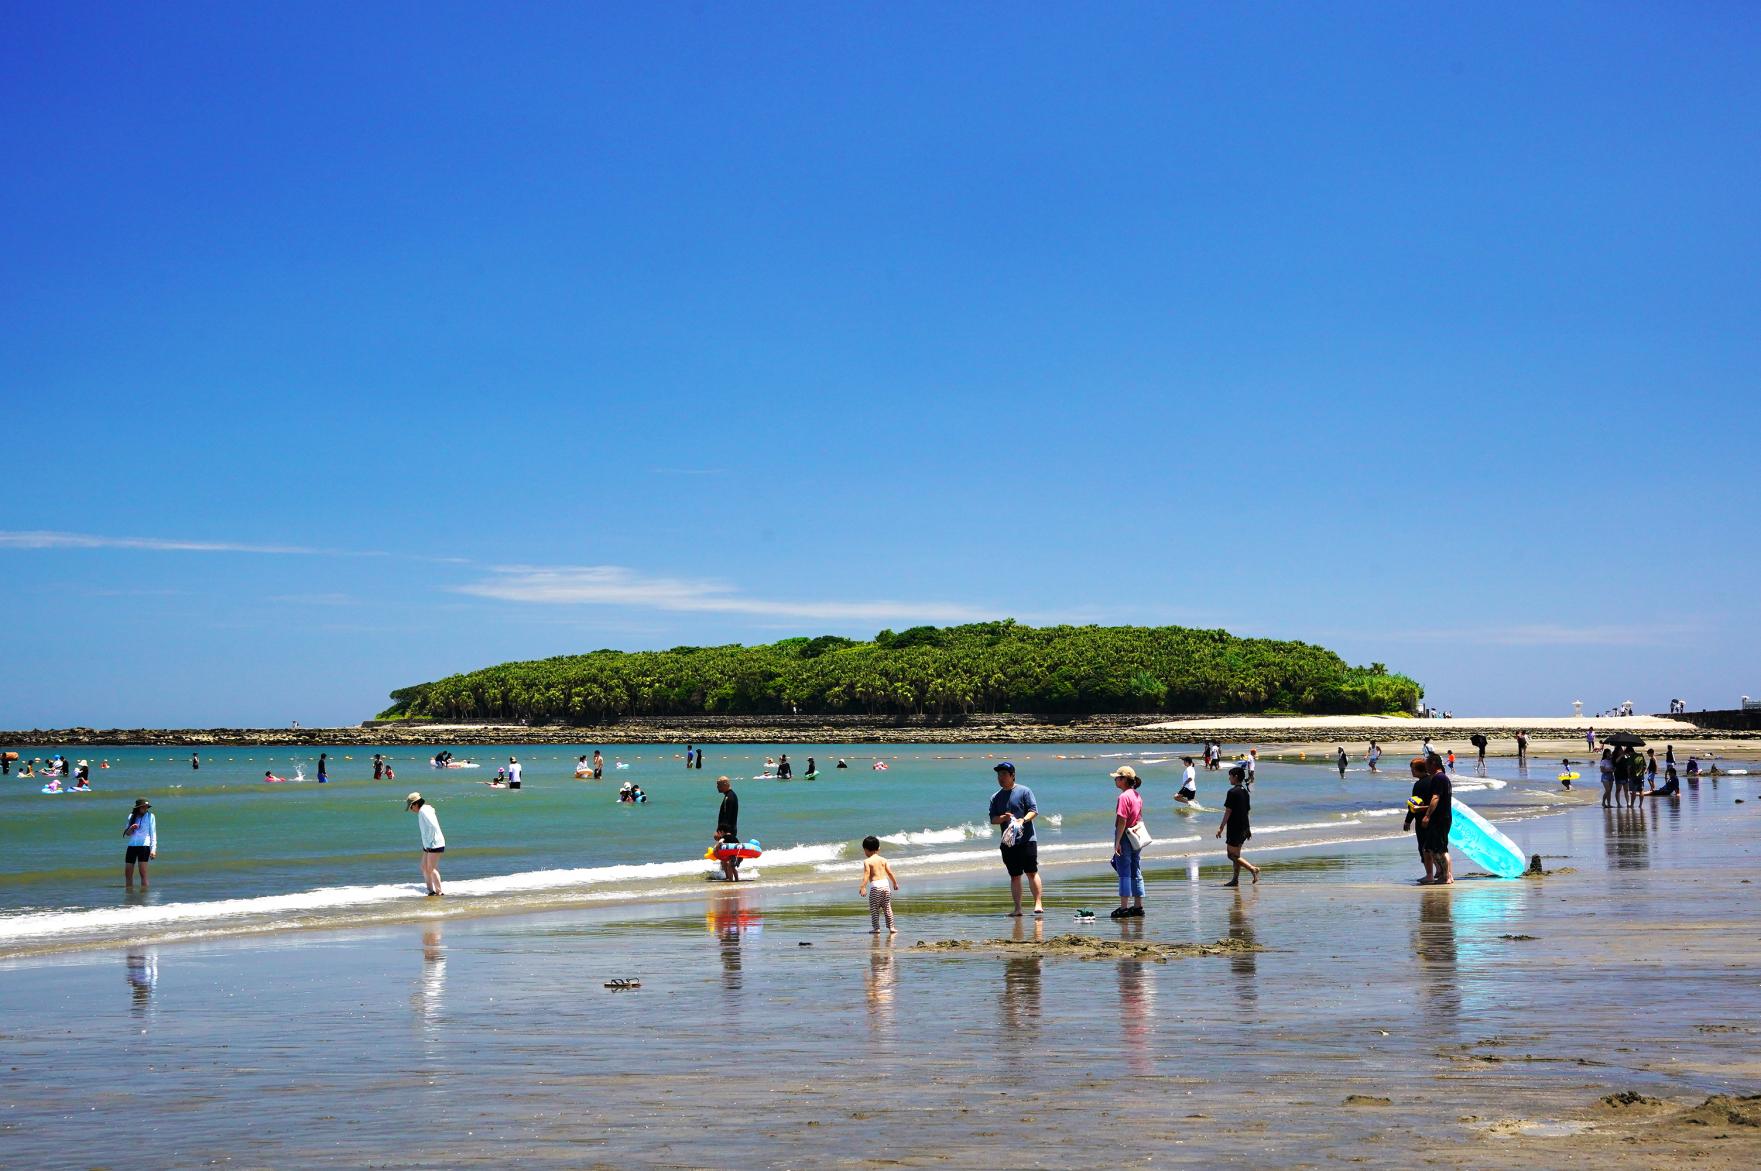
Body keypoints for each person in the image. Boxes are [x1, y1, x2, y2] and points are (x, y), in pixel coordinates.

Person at [988, 762, 1043, 916]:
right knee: (1014, 876)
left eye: (1004, 774)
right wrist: (1003, 817)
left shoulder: (1024, 791)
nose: (1001, 778)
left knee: (1031, 872)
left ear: (1012, 776)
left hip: (1027, 839)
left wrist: (1022, 820)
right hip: (1008, 842)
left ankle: (1038, 903)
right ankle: (1018, 908)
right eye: (999, 775)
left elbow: (1034, 811)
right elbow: (993, 819)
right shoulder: (995, 797)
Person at [1110, 765, 1146, 918]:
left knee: (1124, 872)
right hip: (1136, 835)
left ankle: (1123, 907)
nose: (1115, 780)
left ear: (1124, 779)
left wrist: (1117, 842)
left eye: (1117, 777)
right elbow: (1139, 817)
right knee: (1135, 870)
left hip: (1125, 835)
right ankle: (1138, 906)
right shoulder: (1136, 795)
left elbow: (1122, 821)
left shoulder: (1124, 797)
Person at [1217, 767, 1259, 886]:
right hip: (1245, 827)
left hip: (1235, 828)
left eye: (1230, 776)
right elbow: (1247, 812)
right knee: (1237, 855)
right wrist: (1248, 828)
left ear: (1235, 777)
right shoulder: (1245, 792)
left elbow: (1228, 812)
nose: (1229, 778)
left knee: (1231, 855)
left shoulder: (1232, 792)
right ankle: (1235, 880)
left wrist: (1221, 828)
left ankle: (1252, 869)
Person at [1418, 756, 1453, 885]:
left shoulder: (1438, 778)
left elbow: (1436, 798)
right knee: (1433, 848)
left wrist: (1427, 815)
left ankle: (1446, 877)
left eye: (1427, 764)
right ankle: (1446, 876)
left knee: (1441, 849)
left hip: (1440, 819)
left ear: (1433, 764)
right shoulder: (1443, 778)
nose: (1425, 767)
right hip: (1443, 817)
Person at [1402, 757, 1435, 884]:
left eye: (1412, 769)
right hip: (1435, 818)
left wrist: (1407, 821)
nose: (1411, 771)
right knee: (1435, 846)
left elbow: (1413, 806)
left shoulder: (1419, 785)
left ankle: (1429, 875)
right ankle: (1438, 871)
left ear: (1417, 770)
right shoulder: (1434, 780)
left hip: (1422, 820)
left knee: (1424, 847)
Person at [406, 793, 445, 895]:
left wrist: (430, 843)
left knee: (431, 868)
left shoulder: (423, 811)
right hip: (428, 844)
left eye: (411, 806)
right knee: (424, 866)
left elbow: (432, 826)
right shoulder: (425, 809)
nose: (411, 809)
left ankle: (439, 892)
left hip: (434, 844)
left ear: (415, 804)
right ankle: (430, 891)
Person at [860, 835, 899, 934]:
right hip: (886, 887)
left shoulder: (867, 861)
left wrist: (863, 887)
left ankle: (876, 928)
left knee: (874, 909)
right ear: (878, 848)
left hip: (875, 888)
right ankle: (892, 927)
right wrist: (894, 883)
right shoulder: (884, 860)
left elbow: (866, 874)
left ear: (866, 850)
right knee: (887, 908)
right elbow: (889, 873)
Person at [123, 799, 157, 889]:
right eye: (143, 807)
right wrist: (132, 828)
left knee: (143, 874)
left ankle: (144, 897)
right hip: (131, 846)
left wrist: (153, 849)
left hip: (144, 847)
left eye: (147, 807)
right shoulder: (131, 816)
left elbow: (153, 833)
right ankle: (129, 896)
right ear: (138, 808)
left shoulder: (150, 816)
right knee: (128, 873)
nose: (145, 809)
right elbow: (127, 833)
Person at [713, 777, 742, 881]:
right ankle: (728, 877)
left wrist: (720, 831)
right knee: (726, 856)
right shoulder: (730, 796)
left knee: (726, 857)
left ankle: (729, 879)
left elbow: (727, 817)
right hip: (729, 830)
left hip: (728, 832)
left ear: (725, 784)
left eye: (718, 785)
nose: (717, 787)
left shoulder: (729, 797)